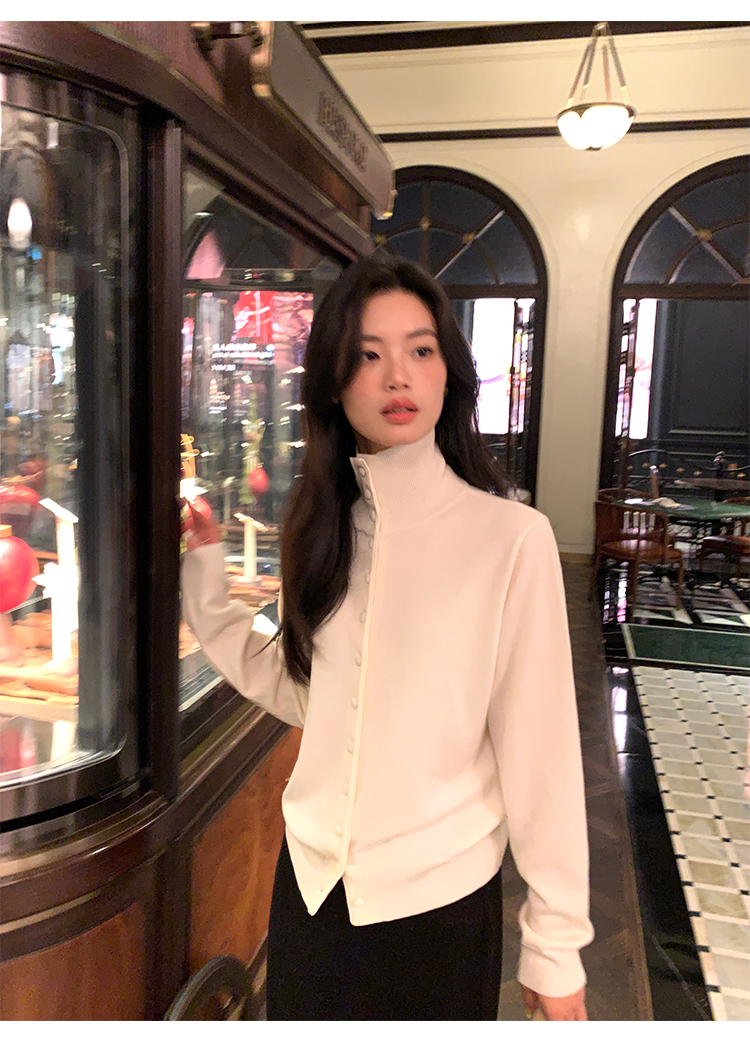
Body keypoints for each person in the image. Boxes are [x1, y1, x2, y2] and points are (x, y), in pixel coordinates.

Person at [181, 254, 594, 1021]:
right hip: (310, 897)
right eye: (368, 355)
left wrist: (556, 942)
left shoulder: (510, 538)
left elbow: (541, 752)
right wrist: (204, 577)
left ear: (448, 371)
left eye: (420, 349)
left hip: (438, 911)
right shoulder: (321, 528)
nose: (398, 376)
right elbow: (306, 693)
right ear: (335, 382)